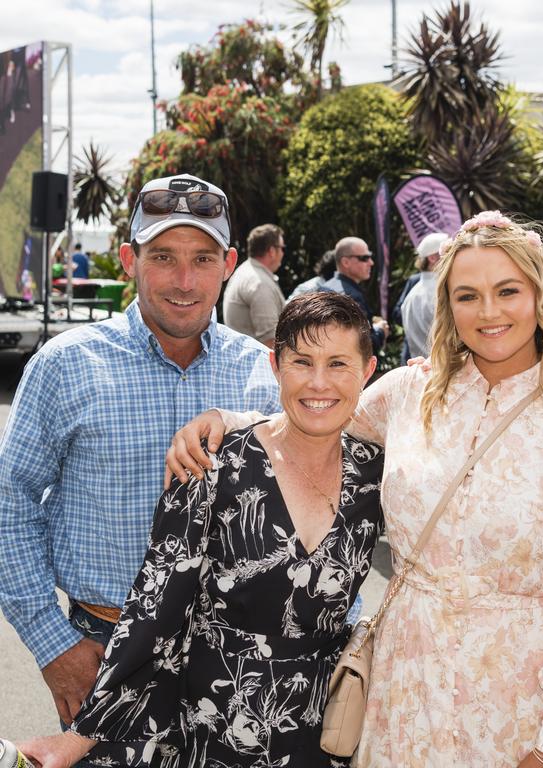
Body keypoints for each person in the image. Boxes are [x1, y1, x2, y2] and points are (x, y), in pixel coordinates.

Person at [167, 211, 543, 768]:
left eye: (508, 291)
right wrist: (224, 419)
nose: (489, 312)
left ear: (539, 294)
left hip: (517, 703)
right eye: (467, 295)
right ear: (447, 305)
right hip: (403, 689)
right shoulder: (410, 391)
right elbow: (315, 415)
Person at [19, 292, 384, 768]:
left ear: (368, 370)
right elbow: (154, 612)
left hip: (325, 730)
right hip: (210, 729)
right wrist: (80, 737)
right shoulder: (213, 465)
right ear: (275, 366)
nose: (319, 382)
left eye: (338, 363)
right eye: (302, 361)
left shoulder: (378, 476)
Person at [0, 172, 279, 755]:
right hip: (102, 652)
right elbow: (9, 504)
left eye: (202, 258)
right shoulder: (66, 365)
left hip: (240, 662)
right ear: (129, 258)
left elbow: (316, 512)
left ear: (228, 263)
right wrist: (53, 643)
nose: (184, 280)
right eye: (163, 257)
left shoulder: (266, 374)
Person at [223, 223, 287, 347]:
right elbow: (271, 341)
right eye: (282, 248)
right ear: (272, 251)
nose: (283, 253)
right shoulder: (260, 283)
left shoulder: (246, 272)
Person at [324, 237, 388, 354]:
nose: (371, 263)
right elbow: (364, 346)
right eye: (364, 258)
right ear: (346, 262)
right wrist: (380, 331)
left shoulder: (324, 288)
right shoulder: (352, 297)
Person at [400, 231, 446, 360]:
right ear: (432, 258)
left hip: (425, 369)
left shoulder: (413, 294)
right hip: (442, 369)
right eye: (448, 251)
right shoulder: (440, 291)